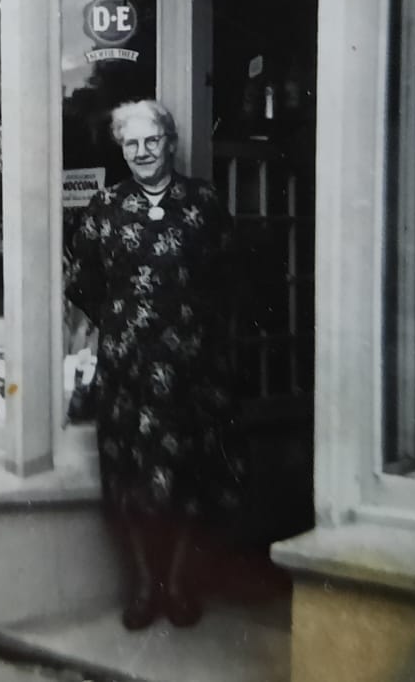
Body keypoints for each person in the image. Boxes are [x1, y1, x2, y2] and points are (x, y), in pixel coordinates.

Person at [64, 99, 242, 631]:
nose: (142, 152)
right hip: (129, 368)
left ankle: (179, 584)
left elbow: (231, 276)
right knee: (131, 477)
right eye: (131, 144)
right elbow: (82, 284)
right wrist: (124, 323)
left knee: (189, 474)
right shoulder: (105, 207)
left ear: (170, 143)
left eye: (151, 141)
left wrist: (200, 330)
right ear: (122, 149)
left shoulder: (203, 202)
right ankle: (144, 586)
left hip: (193, 367)